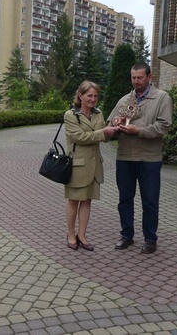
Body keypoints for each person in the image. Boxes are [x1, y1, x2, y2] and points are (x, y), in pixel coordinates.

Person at [108, 63, 173, 254]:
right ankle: (127, 235)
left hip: (149, 159)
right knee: (124, 199)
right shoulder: (124, 100)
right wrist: (114, 122)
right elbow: (109, 122)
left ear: (149, 77)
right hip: (125, 157)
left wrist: (139, 131)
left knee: (150, 201)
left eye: (140, 78)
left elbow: (164, 126)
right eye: (133, 78)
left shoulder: (162, 98)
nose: (136, 81)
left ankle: (150, 239)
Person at [64, 81, 119, 252]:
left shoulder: (98, 114)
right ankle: (71, 235)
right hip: (77, 165)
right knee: (73, 201)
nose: (93, 99)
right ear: (80, 96)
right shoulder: (71, 115)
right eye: (89, 95)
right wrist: (103, 132)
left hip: (95, 165)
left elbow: (105, 138)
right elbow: (79, 137)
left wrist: (113, 126)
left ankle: (82, 235)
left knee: (87, 201)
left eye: (95, 96)